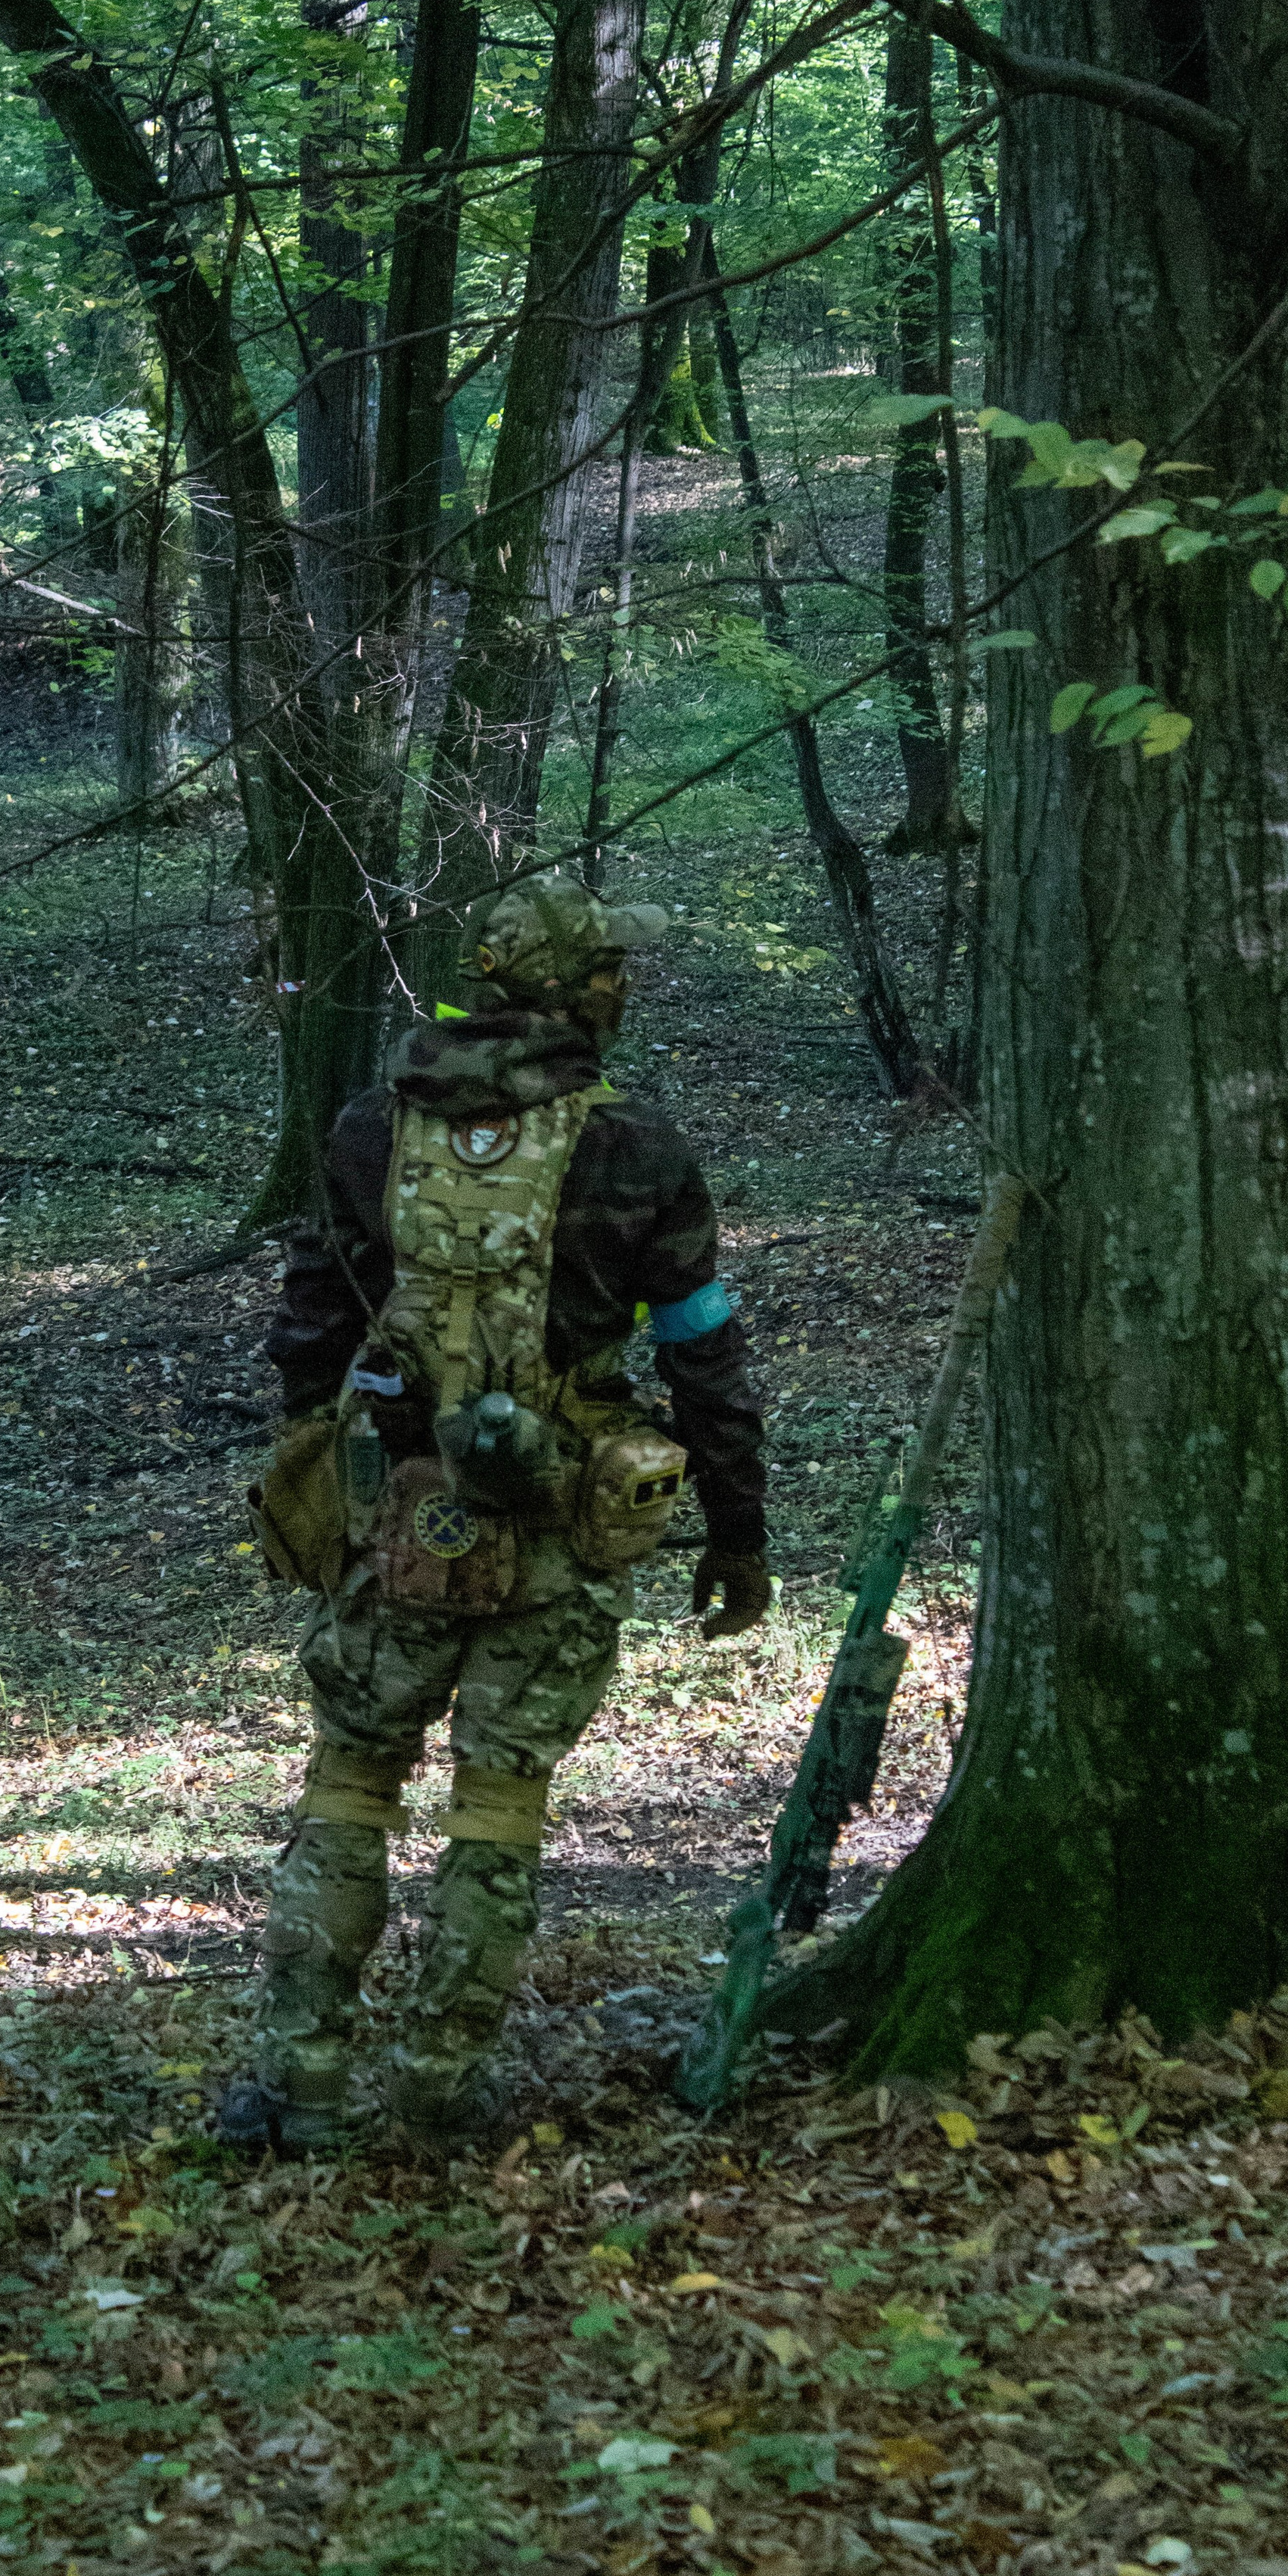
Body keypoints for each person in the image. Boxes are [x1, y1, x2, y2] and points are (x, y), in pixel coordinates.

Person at [221, 875, 770, 2154]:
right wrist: (737, 1530)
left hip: (392, 1520)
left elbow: (312, 1320)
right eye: (611, 971)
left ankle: (295, 2085)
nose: (625, 990)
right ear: (567, 987)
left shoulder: (370, 1126)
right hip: (566, 1524)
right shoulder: (637, 1152)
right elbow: (705, 1356)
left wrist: (325, 1467)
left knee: (349, 1788)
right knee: (498, 1809)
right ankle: (434, 2091)